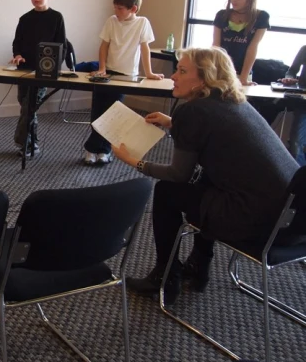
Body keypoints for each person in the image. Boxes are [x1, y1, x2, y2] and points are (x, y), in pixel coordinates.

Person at [112, 47, 299, 304]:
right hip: (293, 220)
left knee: (167, 192)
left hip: (256, 221)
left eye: (182, 70)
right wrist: (174, 124)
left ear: (205, 79)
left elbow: (178, 174)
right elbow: (217, 137)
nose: (173, 75)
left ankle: (165, 276)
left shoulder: (193, 111)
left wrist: (134, 161)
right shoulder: (236, 102)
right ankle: (199, 266)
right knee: (208, 180)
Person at [83, 0, 163, 165]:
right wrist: (102, 67)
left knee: (112, 114)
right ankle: (94, 149)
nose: (116, 11)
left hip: (126, 75)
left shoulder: (142, 23)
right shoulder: (112, 21)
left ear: (133, 9)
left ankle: (100, 149)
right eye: (115, 7)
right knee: (98, 111)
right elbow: (104, 45)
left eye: (120, 8)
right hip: (108, 72)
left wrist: (148, 73)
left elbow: (144, 48)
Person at [10, 0, 65, 158]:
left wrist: (55, 70)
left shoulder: (56, 17)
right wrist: (17, 55)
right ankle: (31, 142)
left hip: (44, 71)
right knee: (24, 103)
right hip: (24, 69)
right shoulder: (24, 19)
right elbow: (17, 42)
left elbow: (61, 45)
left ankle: (24, 143)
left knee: (29, 107)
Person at [213, 0, 269, 86]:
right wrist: (219, 72)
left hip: (244, 72)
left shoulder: (261, 17)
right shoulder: (222, 15)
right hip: (220, 71)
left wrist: (243, 78)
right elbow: (216, 46)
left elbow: (252, 47)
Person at [280, 45, 306, 165]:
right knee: (296, 142)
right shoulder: (304, 49)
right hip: (303, 102)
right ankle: (298, 177)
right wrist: (290, 79)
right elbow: (291, 71)